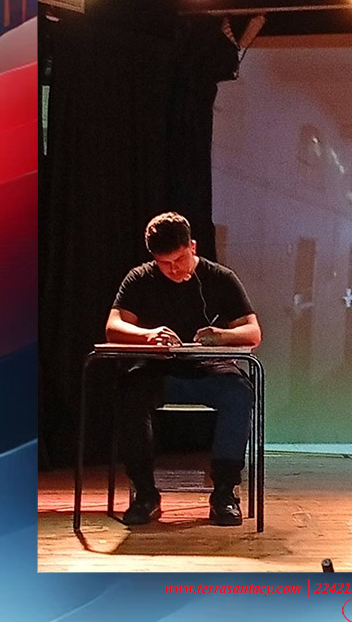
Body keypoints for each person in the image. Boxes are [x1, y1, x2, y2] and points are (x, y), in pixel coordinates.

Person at [105, 212, 262, 526]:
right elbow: (113, 326)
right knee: (130, 391)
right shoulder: (140, 278)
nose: (174, 269)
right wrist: (147, 335)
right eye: (165, 263)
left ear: (193, 246)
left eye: (180, 259)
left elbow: (253, 333)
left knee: (239, 393)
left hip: (210, 370)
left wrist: (221, 336)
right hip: (158, 370)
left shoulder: (220, 278)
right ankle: (145, 493)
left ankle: (224, 492)